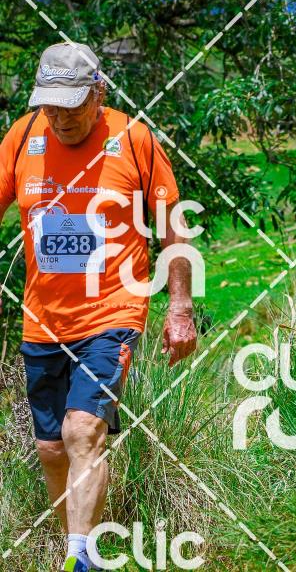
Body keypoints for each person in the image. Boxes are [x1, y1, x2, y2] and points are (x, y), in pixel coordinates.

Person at [0, 42, 198, 571]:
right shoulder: (22, 137)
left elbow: (172, 226)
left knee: (82, 429)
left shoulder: (132, 138)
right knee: (51, 449)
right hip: (43, 319)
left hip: (113, 312)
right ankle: (71, 543)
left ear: (98, 93)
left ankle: (80, 558)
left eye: (71, 105)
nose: (61, 118)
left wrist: (180, 307)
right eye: (50, 106)